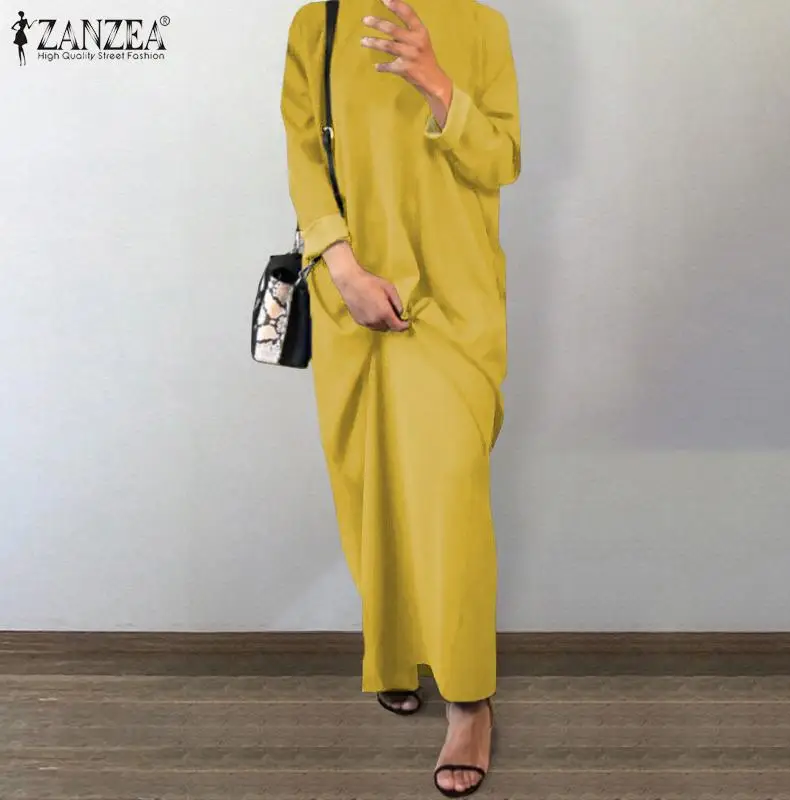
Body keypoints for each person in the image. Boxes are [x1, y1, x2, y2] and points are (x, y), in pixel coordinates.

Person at [280, 0, 520, 794]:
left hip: (452, 305)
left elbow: (501, 160)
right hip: (352, 300)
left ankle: (469, 700)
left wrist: (438, 85)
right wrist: (344, 271)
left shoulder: (481, 27)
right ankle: (393, 657)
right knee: (372, 494)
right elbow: (304, 160)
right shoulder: (315, 23)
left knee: (450, 501)